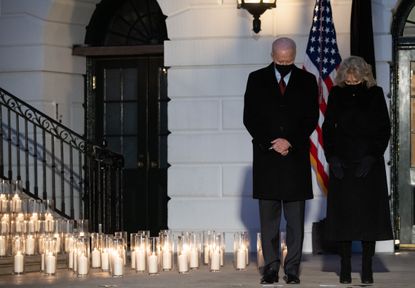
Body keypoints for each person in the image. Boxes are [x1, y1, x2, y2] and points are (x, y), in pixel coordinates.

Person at [243, 37, 319, 284]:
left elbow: (311, 118)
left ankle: (293, 269)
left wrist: (290, 142)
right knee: (269, 223)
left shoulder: (307, 81)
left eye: (288, 61)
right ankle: (271, 269)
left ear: (294, 57)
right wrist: (271, 142)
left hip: (295, 161)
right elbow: (250, 117)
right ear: (272, 55)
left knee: (296, 222)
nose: (284, 64)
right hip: (267, 160)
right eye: (279, 60)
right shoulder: (256, 79)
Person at [322, 56, 393, 284]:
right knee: (343, 218)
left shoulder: (375, 93)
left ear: (364, 76)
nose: (352, 83)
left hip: (368, 165)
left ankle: (367, 268)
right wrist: (331, 157)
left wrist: (372, 157)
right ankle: (344, 268)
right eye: (348, 80)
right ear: (344, 77)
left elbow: (384, 128)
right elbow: (328, 128)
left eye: (356, 80)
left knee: (368, 219)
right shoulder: (336, 94)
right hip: (341, 164)